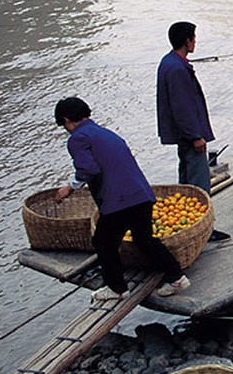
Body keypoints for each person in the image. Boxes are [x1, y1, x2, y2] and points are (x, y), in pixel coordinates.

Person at [54, 97, 190, 303]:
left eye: (64, 125)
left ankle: (117, 288)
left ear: (67, 120)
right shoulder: (106, 133)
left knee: (103, 241)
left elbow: (89, 168)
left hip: (119, 199)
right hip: (141, 194)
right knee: (144, 239)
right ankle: (176, 277)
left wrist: (70, 187)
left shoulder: (77, 138)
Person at [157, 21, 229, 241]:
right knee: (199, 182)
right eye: (194, 38)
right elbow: (183, 107)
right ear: (187, 41)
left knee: (186, 178)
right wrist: (196, 136)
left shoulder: (170, 63)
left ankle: (189, 223)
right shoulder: (177, 69)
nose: (195, 41)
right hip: (189, 135)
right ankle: (203, 228)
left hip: (182, 135)